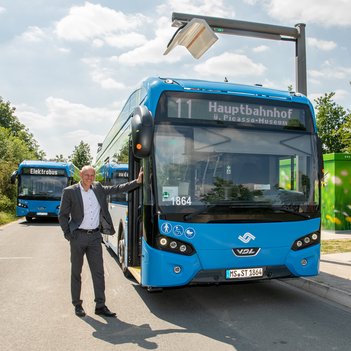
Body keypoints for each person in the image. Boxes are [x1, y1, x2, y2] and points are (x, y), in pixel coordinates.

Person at [58, 165, 143, 318]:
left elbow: (118, 188)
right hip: (78, 237)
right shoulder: (70, 191)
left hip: (95, 238)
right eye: (87, 175)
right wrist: (69, 235)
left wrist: (136, 182)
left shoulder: (97, 188)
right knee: (76, 272)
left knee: (99, 272)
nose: (90, 178)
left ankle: (100, 305)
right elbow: (62, 215)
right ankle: (77, 304)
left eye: (92, 175)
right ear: (80, 175)